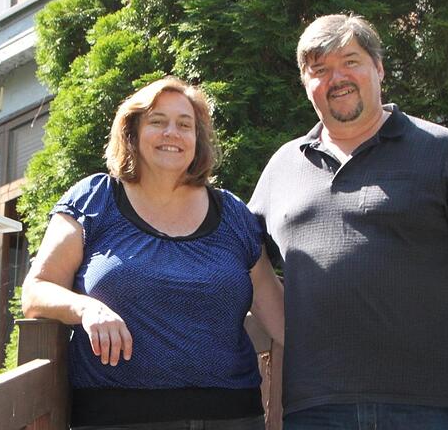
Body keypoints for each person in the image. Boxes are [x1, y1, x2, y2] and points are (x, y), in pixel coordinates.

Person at [249, 14, 448, 430]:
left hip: (434, 405)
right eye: (319, 70)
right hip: (315, 408)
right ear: (306, 85)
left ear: (379, 69)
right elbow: (240, 259)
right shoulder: (283, 166)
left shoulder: (444, 151)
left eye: (350, 62)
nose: (336, 78)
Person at [22, 77, 285, 429]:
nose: (171, 133)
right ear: (132, 132)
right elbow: (36, 290)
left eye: (184, 124)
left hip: (231, 417)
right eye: (157, 121)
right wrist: (86, 308)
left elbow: (282, 321)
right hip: (116, 418)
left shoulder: (233, 216)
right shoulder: (94, 200)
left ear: (197, 138)